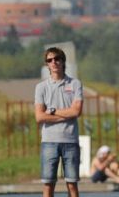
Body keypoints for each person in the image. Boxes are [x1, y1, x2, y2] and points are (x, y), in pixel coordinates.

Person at [34, 46, 85, 197]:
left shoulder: (75, 84)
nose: (54, 62)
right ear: (47, 64)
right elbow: (39, 117)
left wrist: (53, 111)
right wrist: (66, 114)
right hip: (49, 141)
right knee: (48, 185)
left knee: (72, 185)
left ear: (63, 62)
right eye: (50, 60)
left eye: (57, 59)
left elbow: (76, 111)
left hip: (70, 140)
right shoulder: (41, 87)